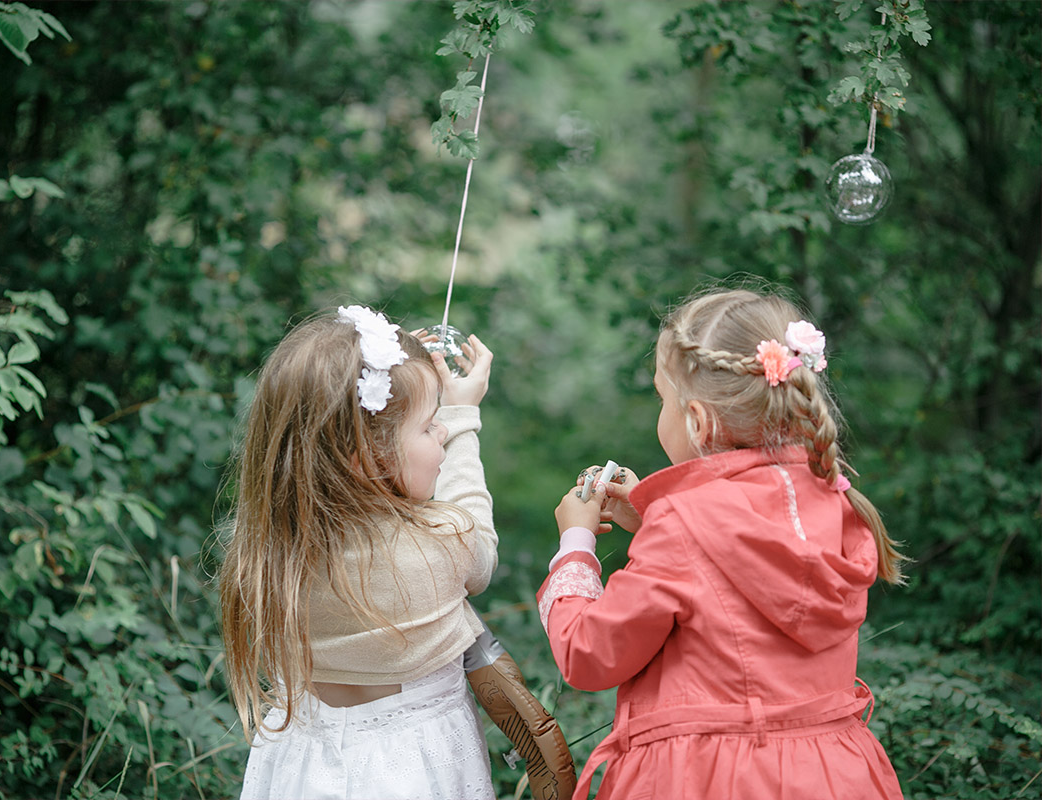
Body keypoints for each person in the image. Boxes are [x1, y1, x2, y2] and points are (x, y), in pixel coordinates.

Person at [537, 287, 907, 800]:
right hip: (830, 774)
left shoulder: (683, 526)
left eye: (662, 397)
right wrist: (651, 517)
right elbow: (747, 576)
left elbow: (590, 655)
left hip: (713, 779)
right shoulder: (831, 497)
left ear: (699, 420)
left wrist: (574, 545)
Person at [218, 304, 499, 800]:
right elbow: (477, 541)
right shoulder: (438, 546)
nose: (439, 435)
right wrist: (461, 418)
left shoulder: (270, 552)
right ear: (368, 458)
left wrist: (402, 387)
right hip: (415, 772)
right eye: (429, 426)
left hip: (298, 771)